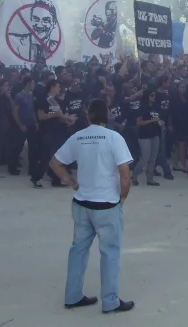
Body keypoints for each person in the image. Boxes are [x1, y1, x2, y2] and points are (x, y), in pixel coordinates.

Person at [49, 99, 134, 313]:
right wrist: (122, 197)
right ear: (107, 116)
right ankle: (110, 301)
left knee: (78, 250)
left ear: (88, 116)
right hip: (106, 205)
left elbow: (55, 163)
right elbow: (125, 174)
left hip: (82, 202)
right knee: (110, 253)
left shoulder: (78, 137)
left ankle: (73, 295)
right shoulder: (114, 138)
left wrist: (72, 183)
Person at [132, 90, 162, 186]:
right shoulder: (142, 108)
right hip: (144, 135)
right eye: (152, 95)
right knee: (145, 158)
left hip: (155, 133)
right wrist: (151, 120)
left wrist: (160, 123)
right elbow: (138, 123)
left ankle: (150, 178)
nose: (154, 97)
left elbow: (157, 119)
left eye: (154, 95)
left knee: (153, 158)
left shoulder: (155, 107)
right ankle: (134, 175)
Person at [11, 77, 39, 177]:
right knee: (18, 147)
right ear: (27, 84)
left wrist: (36, 122)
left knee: (32, 148)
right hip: (22, 125)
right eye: (33, 83)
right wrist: (20, 125)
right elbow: (14, 112)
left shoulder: (32, 96)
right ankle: (12, 167)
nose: (34, 85)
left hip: (31, 125)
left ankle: (31, 169)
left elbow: (33, 110)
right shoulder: (19, 96)